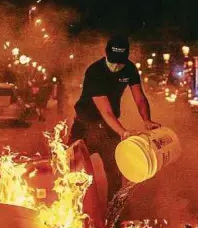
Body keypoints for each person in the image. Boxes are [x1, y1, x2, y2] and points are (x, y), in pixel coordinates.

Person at [68, 35, 160, 201]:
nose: (116, 66)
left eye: (120, 62)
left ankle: (114, 219)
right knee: (71, 170)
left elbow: (139, 98)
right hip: (84, 126)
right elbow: (106, 111)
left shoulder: (130, 69)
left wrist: (147, 120)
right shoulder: (95, 72)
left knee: (116, 174)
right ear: (106, 54)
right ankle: (73, 210)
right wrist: (123, 132)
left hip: (109, 129)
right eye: (113, 61)